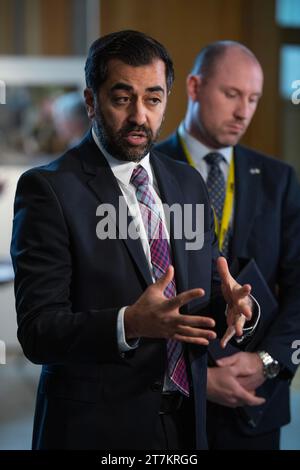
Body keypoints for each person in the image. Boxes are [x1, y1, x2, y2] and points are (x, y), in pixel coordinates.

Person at [10, 31, 261, 450]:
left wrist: (237, 305)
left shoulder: (187, 182)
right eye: (123, 99)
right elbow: (38, 332)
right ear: (92, 101)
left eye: (154, 99)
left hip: (186, 423)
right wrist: (129, 323)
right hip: (95, 428)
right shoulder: (49, 190)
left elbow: (203, 291)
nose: (140, 116)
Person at [156, 40, 300, 449]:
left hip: (255, 406)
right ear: (195, 87)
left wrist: (270, 362)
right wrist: (196, 379)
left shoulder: (278, 179)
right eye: (232, 94)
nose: (243, 112)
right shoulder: (143, 170)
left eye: (253, 98)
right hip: (167, 407)